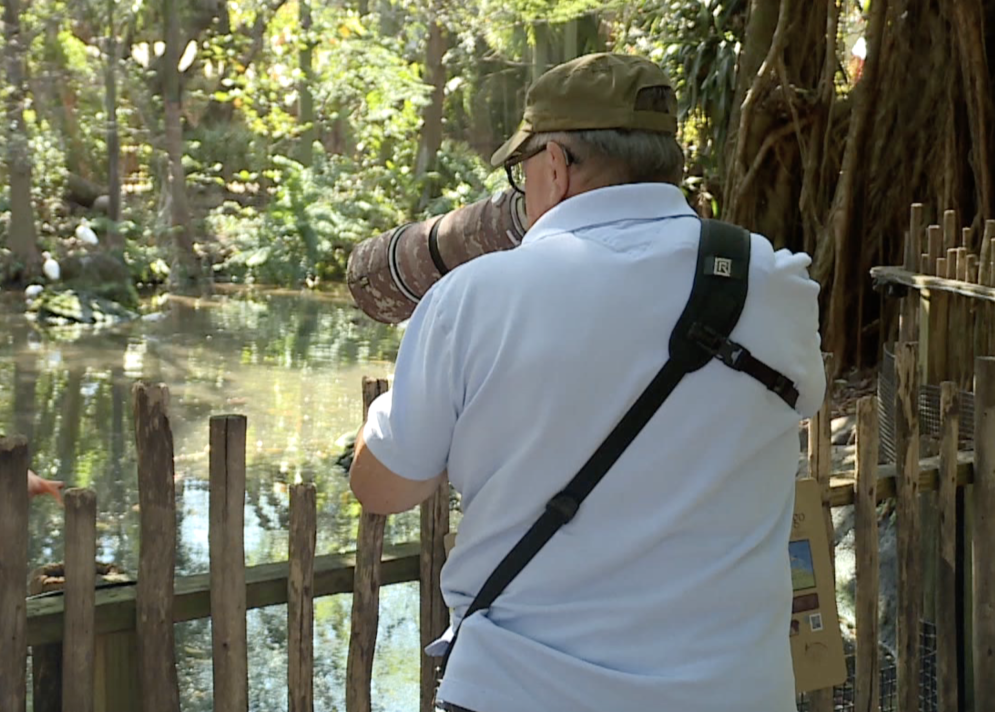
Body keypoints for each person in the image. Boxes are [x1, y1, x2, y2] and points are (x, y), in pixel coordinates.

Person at [348, 52, 826, 712]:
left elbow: (383, 486)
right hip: (734, 693)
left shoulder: (474, 299)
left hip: (519, 692)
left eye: (524, 173)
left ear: (556, 164)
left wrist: (392, 408)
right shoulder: (774, 282)